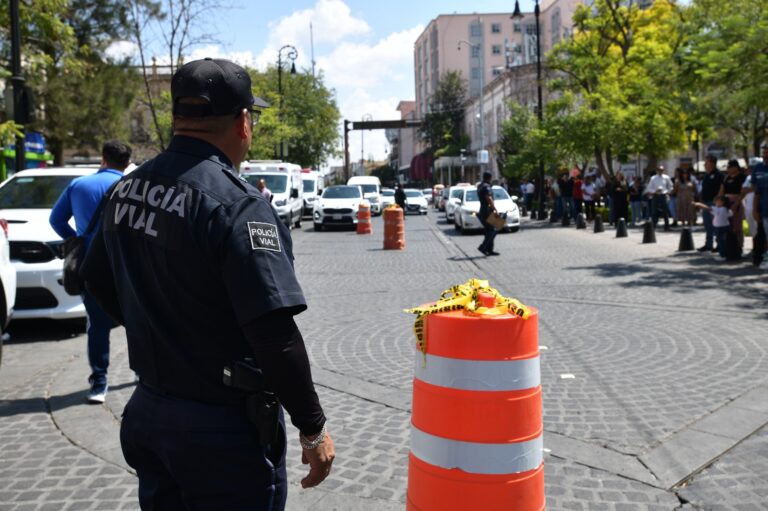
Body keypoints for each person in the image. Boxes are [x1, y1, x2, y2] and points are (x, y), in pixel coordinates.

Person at [80, 58, 334, 509]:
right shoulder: (238, 206)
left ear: (178, 118)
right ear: (242, 122)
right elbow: (274, 333)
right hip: (222, 430)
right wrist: (312, 427)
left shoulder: (127, 189)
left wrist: (153, 327)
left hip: (150, 412)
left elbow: (93, 276)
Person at [49, 140, 132, 404]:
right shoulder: (134, 187)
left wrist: (78, 239)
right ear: (127, 162)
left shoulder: (79, 185)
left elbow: (56, 220)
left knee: (97, 326)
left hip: (90, 264)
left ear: (103, 159)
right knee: (139, 320)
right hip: (126, 264)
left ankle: (99, 382)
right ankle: (145, 374)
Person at [718, 159, 747, 258]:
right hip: (726, 202)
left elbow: (743, 192)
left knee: (737, 226)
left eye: (730, 167)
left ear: (736, 167)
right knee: (727, 226)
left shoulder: (742, 177)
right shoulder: (726, 178)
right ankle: (727, 248)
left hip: (737, 202)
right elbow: (721, 190)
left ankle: (739, 247)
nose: (728, 169)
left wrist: (737, 203)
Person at [698, 155, 724, 252]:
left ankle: (719, 244)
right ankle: (708, 244)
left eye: (706, 162)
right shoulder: (705, 175)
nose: (705, 165)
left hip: (714, 203)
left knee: (716, 224)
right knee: (707, 224)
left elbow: (721, 189)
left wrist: (717, 201)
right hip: (705, 202)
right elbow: (703, 189)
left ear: (712, 163)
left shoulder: (719, 175)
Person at [477, 170, 499, 256]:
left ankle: (489, 250)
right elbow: (488, 198)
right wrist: (495, 209)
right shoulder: (486, 186)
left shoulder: (480, 186)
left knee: (488, 230)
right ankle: (483, 247)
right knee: (493, 229)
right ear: (490, 178)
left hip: (483, 209)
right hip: (487, 210)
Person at [753, 142, 768, 269]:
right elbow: (756, 191)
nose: (765, 155)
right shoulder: (758, 168)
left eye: (767, 152)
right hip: (764, 208)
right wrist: (754, 209)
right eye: (764, 152)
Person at [645, 165, 673, 230]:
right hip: (655, 195)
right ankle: (653, 226)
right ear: (657, 171)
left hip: (663, 195)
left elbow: (671, 186)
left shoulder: (666, 177)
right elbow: (649, 188)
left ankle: (667, 226)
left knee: (665, 211)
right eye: (659, 170)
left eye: (662, 170)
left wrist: (668, 192)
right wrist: (655, 191)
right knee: (654, 211)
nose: (661, 171)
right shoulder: (653, 178)